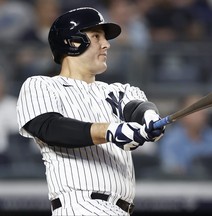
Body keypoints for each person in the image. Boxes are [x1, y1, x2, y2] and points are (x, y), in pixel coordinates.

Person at [16, 7, 165, 216]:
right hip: (80, 205)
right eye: (96, 36)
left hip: (121, 209)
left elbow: (137, 106)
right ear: (72, 42)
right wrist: (111, 131)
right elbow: (49, 127)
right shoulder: (41, 85)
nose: (106, 44)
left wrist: (149, 118)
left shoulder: (116, 90)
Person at [159, 95, 212, 176]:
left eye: (204, 108)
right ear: (181, 114)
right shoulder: (170, 141)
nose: (202, 112)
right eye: (196, 109)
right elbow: (171, 169)